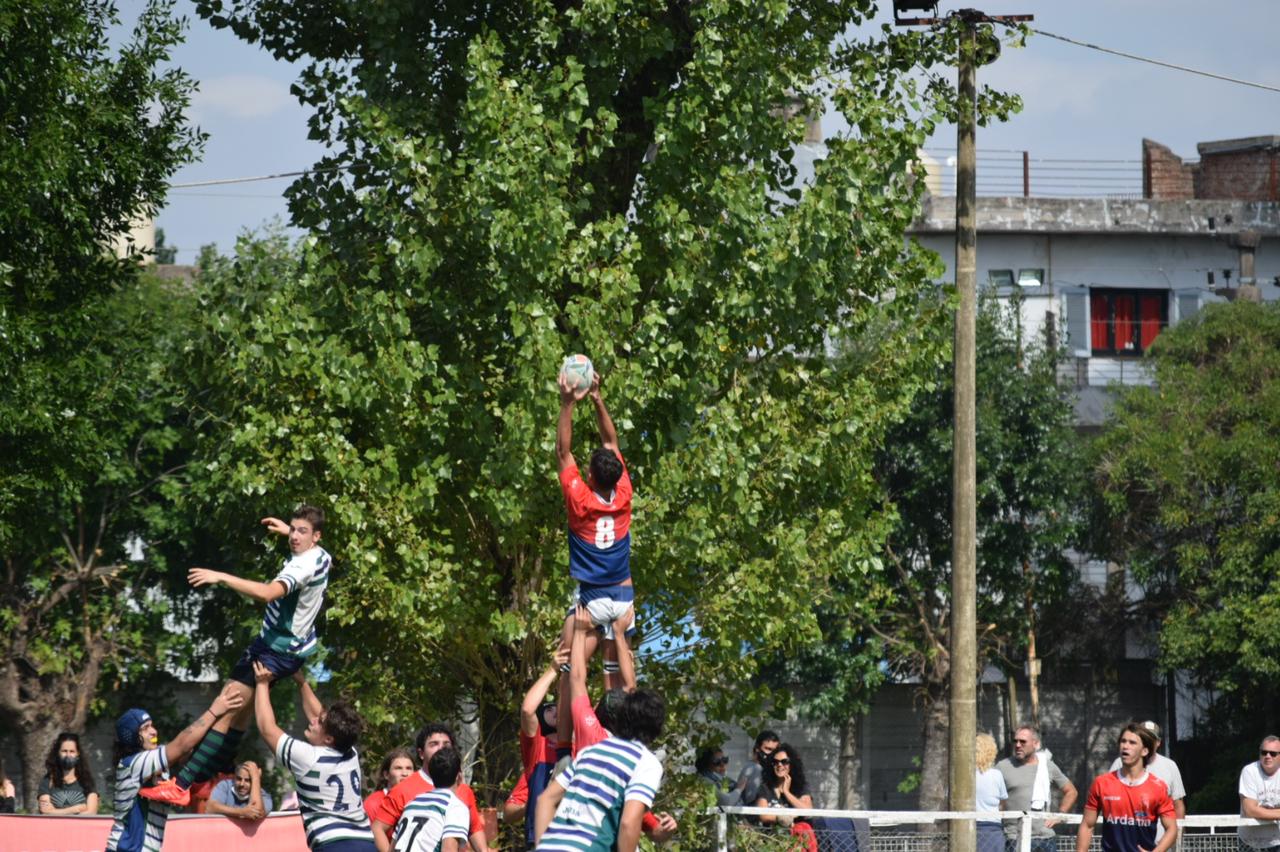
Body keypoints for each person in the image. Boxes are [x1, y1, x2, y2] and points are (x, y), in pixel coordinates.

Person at [143, 506, 332, 807]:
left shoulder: (301, 567)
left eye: (302, 532)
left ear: (316, 536)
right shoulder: (321, 555)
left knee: (225, 707)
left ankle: (182, 783)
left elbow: (267, 593)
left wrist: (220, 576)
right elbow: (310, 547)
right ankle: (214, 774)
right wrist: (290, 531)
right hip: (289, 649)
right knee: (238, 715)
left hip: (274, 649)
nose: (294, 536)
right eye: (294, 529)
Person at [553, 369, 634, 712]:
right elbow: (611, 442)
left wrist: (568, 403)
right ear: (617, 474)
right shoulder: (624, 494)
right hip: (624, 595)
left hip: (590, 597)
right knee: (617, 679)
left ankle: (564, 752)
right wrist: (598, 398)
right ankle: (618, 737)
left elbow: (562, 452)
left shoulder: (580, 500)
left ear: (589, 475)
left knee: (571, 674)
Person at [561, 604, 677, 842]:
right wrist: (620, 635)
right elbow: (631, 687)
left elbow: (577, 677)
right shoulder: (636, 756)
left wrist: (581, 632)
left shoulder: (590, 732)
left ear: (598, 711)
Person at [104, 683, 245, 852]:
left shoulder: (152, 764)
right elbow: (181, 745)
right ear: (131, 737)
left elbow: (187, 751)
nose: (154, 731)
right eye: (145, 728)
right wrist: (214, 711)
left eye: (152, 725)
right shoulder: (133, 763)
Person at [252, 661, 376, 850]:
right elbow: (319, 715)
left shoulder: (308, 758)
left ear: (328, 738)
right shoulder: (350, 752)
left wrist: (261, 684)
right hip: (366, 843)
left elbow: (267, 728)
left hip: (334, 845)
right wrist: (301, 681)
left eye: (319, 723)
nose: (314, 720)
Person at [534, 688, 667, 852]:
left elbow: (545, 800)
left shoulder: (590, 752)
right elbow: (628, 823)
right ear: (657, 728)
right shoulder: (646, 762)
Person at [371, 724, 488, 852]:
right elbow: (378, 828)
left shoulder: (464, 791)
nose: (441, 748)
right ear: (421, 753)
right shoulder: (403, 789)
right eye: (434, 744)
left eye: (446, 744)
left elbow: (474, 828)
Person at [1075, 723, 1177, 852]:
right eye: (1123, 741)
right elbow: (1087, 825)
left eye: (1132, 743)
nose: (1125, 746)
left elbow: (1172, 829)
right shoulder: (1101, 783)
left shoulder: (1158, 787)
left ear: (1144, 751)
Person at [502, 650, 568, 845]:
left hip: (575, 837)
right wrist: (553, 669)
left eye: (558, 706)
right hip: (542, 837)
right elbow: (527, 710)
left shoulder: (578, 746)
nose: (555, 710)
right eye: (549, 709)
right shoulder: (537, 747)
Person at [997, 724, 1078, 852]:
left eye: (1023, 741)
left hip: (1045, 839)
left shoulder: (1047, 766)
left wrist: (1060, 814)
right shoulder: (1002, 767)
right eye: (1015, 741)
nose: (1017, 745)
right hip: (1014, 838)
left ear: (1035, 744)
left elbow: (1071, 792)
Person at [389, 747, 471, 852]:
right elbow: (449, 849)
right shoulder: (455, 807)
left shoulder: (412, 804)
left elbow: (392, 848)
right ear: (459, 776)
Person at [1107, 721, 1185, 826]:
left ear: (1158, 742)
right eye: (1144, 738)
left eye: (1151, 739)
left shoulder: (1170, 766)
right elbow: (1107, 800)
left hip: (1161, 840)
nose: (1148, 742)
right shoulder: (1119, 763)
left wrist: (1179, 836)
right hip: (1126, 839)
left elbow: (1178, 804)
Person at [754, 742, 817, 852]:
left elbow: (807, 811)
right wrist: (781, 817)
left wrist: (787, 793)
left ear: (792, 764)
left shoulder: (801, 786)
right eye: (775, 762)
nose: (779, 765)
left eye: (784, 762)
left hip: (797, 844)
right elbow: (763, 815)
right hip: (772, 843)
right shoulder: (766, 788)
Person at [38, 731, 99, 814]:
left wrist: (55, 812)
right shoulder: (48, 781)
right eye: (64, 751)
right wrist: (75, 809)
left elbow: (91, 812)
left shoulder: (87, 781)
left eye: (72, 751)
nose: (68, 755)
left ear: (78, 754)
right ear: (58, 753)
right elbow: (45, 811)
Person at [1239, 734, 1280, 850]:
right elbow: (1250, 810)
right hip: (1249, 842)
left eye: (1273, 753)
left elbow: (1256, 809)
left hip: (1277, 841)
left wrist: (1261, 810)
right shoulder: (1249, 771)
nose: (1268, 756)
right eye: (1264, 752)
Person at [207, 760, 273, 820]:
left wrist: (256, 777)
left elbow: (257, 813)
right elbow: (210, 808)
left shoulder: (263, 795)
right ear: (234, 777)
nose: (242, 784)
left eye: (247, 780)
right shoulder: (225, 785)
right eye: (239, 779)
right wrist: (241, 812)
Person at [975, 734, 1007, 852]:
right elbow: (1002, 802)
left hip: (969, 826)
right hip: (992, 827)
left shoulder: (964, 775)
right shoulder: (996, 775)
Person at [366, 749, 416, 822]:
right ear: (386, 775)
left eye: (409, 768)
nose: (405, 773)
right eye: (398, 768)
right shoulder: (374, 803)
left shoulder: (420, 800)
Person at [735, 730, 780, 807]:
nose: (772, 754)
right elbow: (754, 802)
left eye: (775, 750)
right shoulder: (754, 769)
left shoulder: (765, 768)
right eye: (768, 749)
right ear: (757, 748)